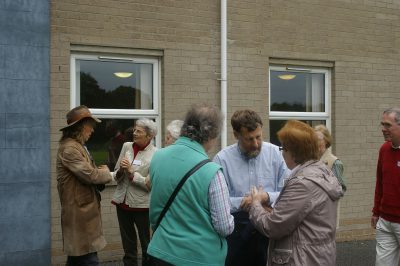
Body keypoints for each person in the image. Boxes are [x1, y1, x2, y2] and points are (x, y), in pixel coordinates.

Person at [241, 120, 343, 265]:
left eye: (283, 148)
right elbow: (300, 218)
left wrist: (255, 203)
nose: (282, 153)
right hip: (316, 256)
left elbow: (273, 227)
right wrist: (269, 210)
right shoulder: (320, 171)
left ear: (294, 151)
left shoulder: (303, 183)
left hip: (302, 259)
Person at [147, 104, 234, 265]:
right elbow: (224, 227)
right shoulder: (212, 171)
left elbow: (155, 205)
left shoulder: (158, 157)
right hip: (199, 257)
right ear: (212, 135)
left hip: (160, 251)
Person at [213, 109, 290, 266]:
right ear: (236, 135)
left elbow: (289, 191)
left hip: (269, 227)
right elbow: (216, 201)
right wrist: (244, 201)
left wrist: (266, 197)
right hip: (236, 232)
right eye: (249, 139)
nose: (256, 144)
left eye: (258, 137)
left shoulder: (276, 154)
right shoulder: (222, 159)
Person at [56, 105, 113, 265]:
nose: (92, 130)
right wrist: (107, 173)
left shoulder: (77, 146)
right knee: (88, 258)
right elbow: (91, 175)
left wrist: (99, 173)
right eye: (90, 126)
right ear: (80, 127)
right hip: (79, 216)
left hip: (82, 215)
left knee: (78, 257)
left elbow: (89, 172)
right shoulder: (70, 149)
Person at [111, 119, 158, 266]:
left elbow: (150, 185)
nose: (134, 133)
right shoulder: (126, 146)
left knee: (146, 244)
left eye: (139, 131)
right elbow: (117, 173)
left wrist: (132, 172)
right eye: (135, 130)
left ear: (149, 136)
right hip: (122, 203)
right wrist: (121, 172)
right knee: (128, 245)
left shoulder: (156, 154)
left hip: (142, 206)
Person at [372, 108, 400, 266]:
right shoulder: (384, 149)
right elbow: (380, 182)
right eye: (382, 124)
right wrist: (376, 211)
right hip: (385, 221)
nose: (383, 129)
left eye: (388, 125)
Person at [314, 124, 346, 192]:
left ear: (326, 141)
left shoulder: (335, 163)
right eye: (314, 140)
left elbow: (339, 190)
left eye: (318, 140)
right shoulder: (310, 160)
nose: (315, 143)